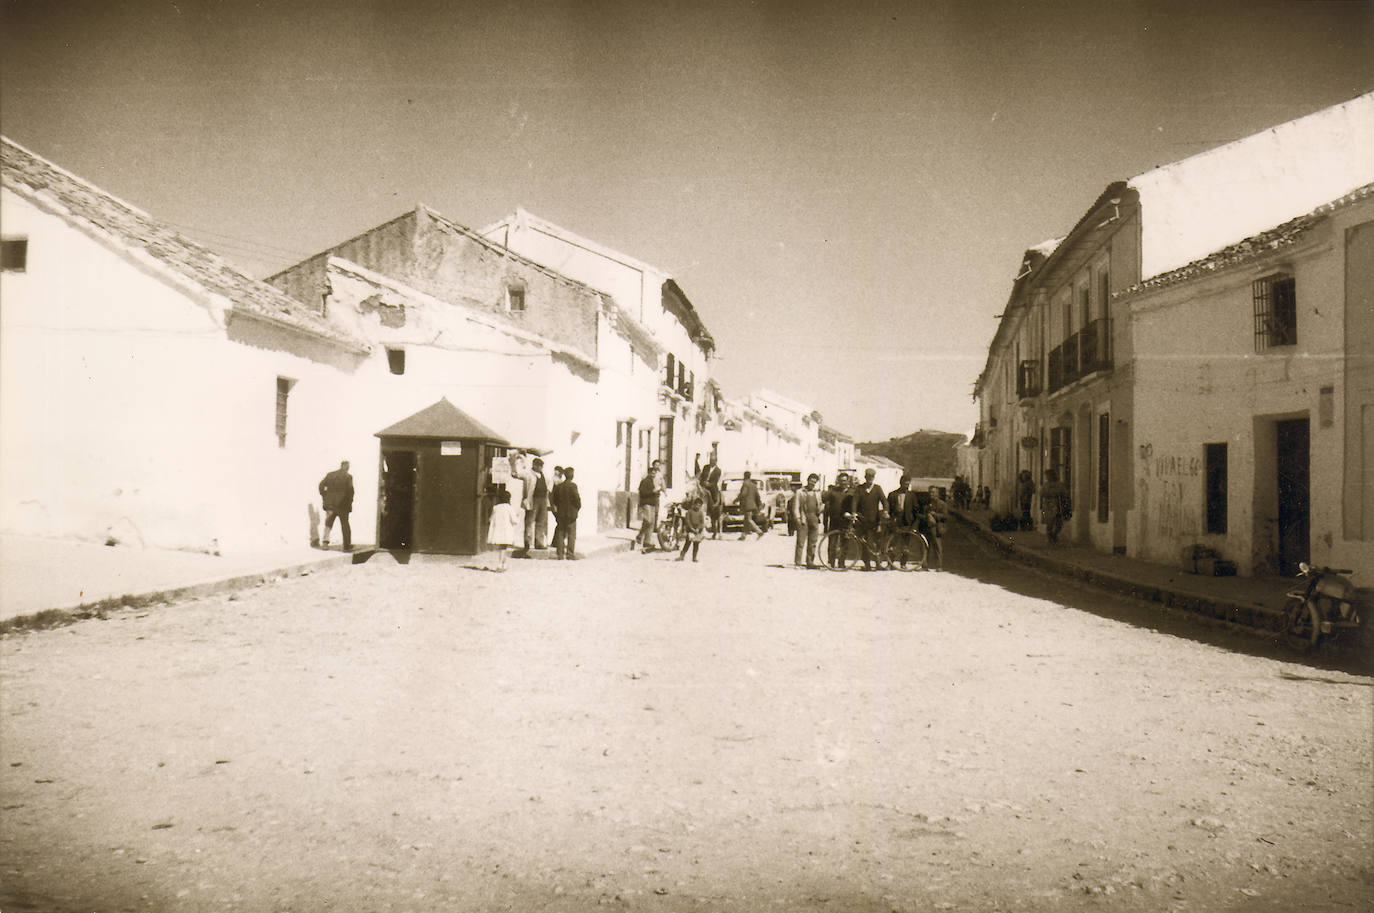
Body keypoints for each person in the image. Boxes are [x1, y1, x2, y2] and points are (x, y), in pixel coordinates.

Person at [851, 468, 888, 570]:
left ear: (874, 478)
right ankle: (867, 564)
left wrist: (885, 511)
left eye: (871, 477)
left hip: (874, 520)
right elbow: (855, 501)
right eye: (868, 477)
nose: (869, 479)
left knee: (876, 542)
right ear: (865, 477)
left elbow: (884, 501)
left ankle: (878, 563)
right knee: (864, 542)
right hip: (862, 519)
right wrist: (853, 513)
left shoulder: (877, 488)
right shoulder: (860, 488)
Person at [318, 460, 354, 551]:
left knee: (328, 523)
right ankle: (346, 545)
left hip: (330, 504)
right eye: (348, 467)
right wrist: (350, 502)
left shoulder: (330, 475)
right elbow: (350, 491)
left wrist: (325, 496)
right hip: (342, 505)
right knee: (345, 525)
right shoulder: (348, 477)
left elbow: (321, 485)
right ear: (346, 467)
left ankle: (325, 544)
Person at [551, 466, 581, 559]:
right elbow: (577, 500)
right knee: (571, 534)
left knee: (560, 534)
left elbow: (554, 499)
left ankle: (560, 554)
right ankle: (570, 554)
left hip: (561, 514)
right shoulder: (573, 486)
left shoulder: (559, 486)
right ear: (571, 475)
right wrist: (576, 509)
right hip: (571, 514)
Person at [795, 473, 823, 568]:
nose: (813, 483)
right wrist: (798, 518)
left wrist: (821, 508)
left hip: (814, 518)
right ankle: (798, 563)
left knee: (813, 542)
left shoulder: (817, 492)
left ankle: (810, 562)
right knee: (801, 542)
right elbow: (796, 506)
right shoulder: (800, 492)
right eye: (811, 481)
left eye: (814, 482)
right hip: (804, 518)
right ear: (808, 480)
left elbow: (820, 504)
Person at [486, 489, 517, 571]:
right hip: (506, 531)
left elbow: (491, 519)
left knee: (502, 547)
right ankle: (500, 564)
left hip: (498, 531)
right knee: (504, 548)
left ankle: (504, 564)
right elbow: (515, 520)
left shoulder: (495, 508)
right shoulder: (509, 508)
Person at [635, 462, 662, 552]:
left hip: (652, 504)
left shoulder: (652, 481)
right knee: (648, 521)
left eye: (655, 473)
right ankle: (640, 535)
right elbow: (642, 492)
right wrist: (653, 491)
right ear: (649, 473)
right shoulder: (645, 481)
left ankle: (647, 541)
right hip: (646, 504)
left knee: (651, 524)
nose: (653, 474)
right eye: (652, 473)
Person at [526, 457, 549, 550]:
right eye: (539, 466)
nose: (540, 468)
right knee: (530, 521)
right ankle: (527, 542)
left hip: (543, 499)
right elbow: (517, 474)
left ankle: (538, 542)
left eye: (541, 466)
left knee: (541, 522)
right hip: (533, 499)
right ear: (534, 465)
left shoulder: (544, 475)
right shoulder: (529, 474)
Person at [675, 494, 706, 562]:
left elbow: (702, 522)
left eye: (699, 505)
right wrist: (692, 529)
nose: (698, 506)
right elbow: (687, 521)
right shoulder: (689, 512)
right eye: (697, 505)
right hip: (690, 530)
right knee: (687, 543)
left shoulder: (701, 513)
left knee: (696, 545)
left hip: (698, 531)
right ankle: (682, 556)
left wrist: (698, 528)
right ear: (694, 504)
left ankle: (694, 557)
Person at [1041, 468, 1070, 543]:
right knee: (1049, 523)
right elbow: (1042, 493)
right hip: (1048, 505)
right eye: (1047, 476)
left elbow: (1064, 493)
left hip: (1057, 504)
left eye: (1049, 475)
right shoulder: (1046, 485)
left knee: (1058, 523)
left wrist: (1058, 495)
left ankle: (1054, 535)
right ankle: (1049, 537)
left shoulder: (1059, 484)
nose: (1047, 477)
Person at [735, 470, 765, 539]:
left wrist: (736, 499)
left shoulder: (745, 484)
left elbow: (743, 494)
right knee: (746, 520)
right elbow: (757, 496)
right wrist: (759, 504)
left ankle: (759, 532)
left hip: (747, 505)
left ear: (744, 476)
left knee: (748, 520)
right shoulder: (753, 485)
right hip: (753, 505)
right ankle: (743, 536)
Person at [699, 454, 723, 538]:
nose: (710, 462)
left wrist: (708, 484)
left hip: (712, 488)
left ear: (715, 461)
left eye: (712, 460)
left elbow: (715, 481)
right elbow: (701, 477)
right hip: (703, 486)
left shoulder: (718, 470)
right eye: (710, 460)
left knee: (715, 502)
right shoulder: (705, 467)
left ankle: (714, 505)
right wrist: (702, 483)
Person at [926, 484, 948, 570]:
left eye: (933, 492)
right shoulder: (927, 503)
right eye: (930, 492)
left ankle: (939, 566)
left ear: (937, 494)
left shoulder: (942, 504)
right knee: (926, 545)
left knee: (938, 547)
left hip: (937, 528)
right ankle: (925, 565)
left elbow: (945, 516)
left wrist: (935, 515)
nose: (931, 494)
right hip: (928, 527)